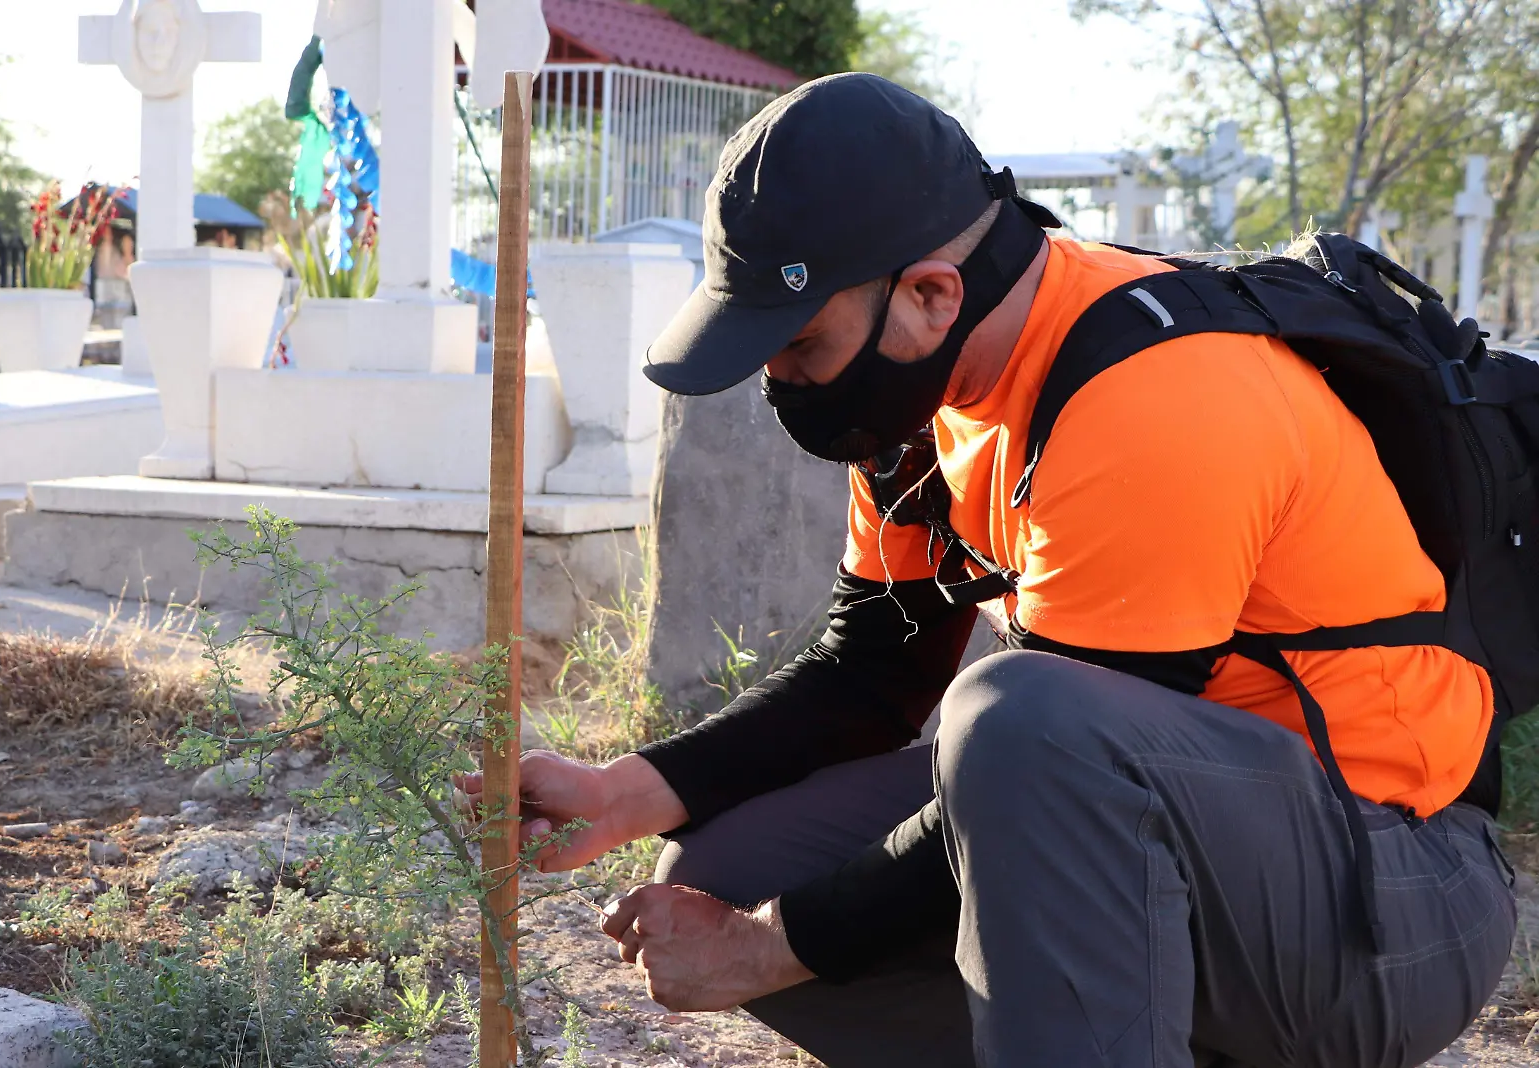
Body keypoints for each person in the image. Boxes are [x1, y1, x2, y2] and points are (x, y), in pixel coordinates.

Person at [463, 73, 1517, 1066]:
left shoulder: (1150, 394)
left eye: (796, 343)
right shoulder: (925, 402)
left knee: (1012, 716)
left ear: (928, 294)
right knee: (727, 875)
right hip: (1186, 855)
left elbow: (1049, 757)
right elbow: (867, 680)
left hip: (1379, 896)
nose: (778, 380)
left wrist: (764, 949)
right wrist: (621, 794)